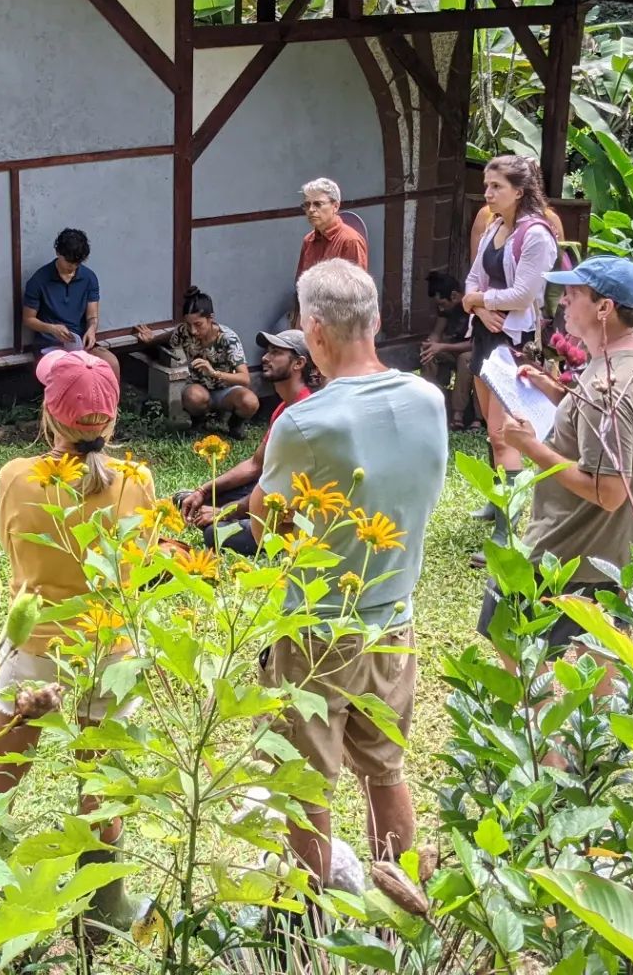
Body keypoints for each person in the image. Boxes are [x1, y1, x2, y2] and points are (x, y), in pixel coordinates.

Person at [251, 259, 447, 886]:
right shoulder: (429, 399)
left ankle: (311, 922)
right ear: (378, 319)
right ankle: (403, 899)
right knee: (385, 771)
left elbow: (269, 531)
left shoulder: (305, 423)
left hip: (317, 630)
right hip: (395, 618)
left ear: (312, 332)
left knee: (306, 786)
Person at [0, 348, 152, 928]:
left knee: (2, 771)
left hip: (35, 651)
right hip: (109, 652)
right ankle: (106, 910)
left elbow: (10, 547)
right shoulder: (137, 481)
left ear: (49, 415)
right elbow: (140, 561)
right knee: (100, 781)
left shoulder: (16, 477)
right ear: (113, 419)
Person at [488, 257, 633, 660]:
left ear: (605, 309)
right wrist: (555, 392)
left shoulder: (606, 389)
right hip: (609, 552)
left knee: (515, 650)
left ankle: (536, 724)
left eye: (574, 294)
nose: (563, 301)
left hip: (570, 551)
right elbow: (606, 434)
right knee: (597, 662)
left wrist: (533, 449)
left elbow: (609, 492)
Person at [462, 155, 559, 545]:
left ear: (519, 191)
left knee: (506, 435)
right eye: (487, 185)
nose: (488, 193)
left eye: (496, 186)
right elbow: (472, 278)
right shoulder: (494, 227)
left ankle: (506, 532)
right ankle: (496, 502)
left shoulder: (536, 234)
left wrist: (480, 301)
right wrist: (481, 307)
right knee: (490, 426)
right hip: (486, 333)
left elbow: (523, 295)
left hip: (513, 341)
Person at [175, 329, 313, 554]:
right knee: (188, 499)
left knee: (214, 533)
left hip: (288, 512)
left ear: (299, 363)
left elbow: (279, 489)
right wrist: (203, 491)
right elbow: (255, 465)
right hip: (267, 490)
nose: (265, 358)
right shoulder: (283, 407)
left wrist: (224, 512)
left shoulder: (304, 414)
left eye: (275, 352)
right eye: (267, 351)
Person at [136, 286, 260, 436]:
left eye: (198, 324)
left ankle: (234, 424)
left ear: (210, 318)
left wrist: (214, 373)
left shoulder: (228, 338)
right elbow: (171, 335)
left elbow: (245, 379)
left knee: (250, 402)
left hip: (225, 390)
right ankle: (198, 422)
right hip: (198, 387)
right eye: (189, 325)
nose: (193, 331)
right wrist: (151, 339)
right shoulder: (184, 332)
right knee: (193, 397)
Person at [21, 228, 119, 374]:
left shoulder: (89, 277)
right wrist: (52, 328)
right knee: (70, 370)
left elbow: (92, 316)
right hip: (50, 344)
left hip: (80, 344)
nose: (72, 267)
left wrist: (91, 330)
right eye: (68, 262)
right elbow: (28, 319)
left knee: (111, 363)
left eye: (77, 263)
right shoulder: (39, 280)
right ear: (58, 253)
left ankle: (110, 398)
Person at [420, 271, 475, 429]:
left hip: (471, 352)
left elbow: (474, 344)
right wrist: (431, 343)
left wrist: (443, 346)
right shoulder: (445, 311)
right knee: (428, 353)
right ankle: (429, 402)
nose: (441, 308)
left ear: (454, 295)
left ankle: (458, 413)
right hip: (452, 349)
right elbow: (437, 333)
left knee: (464, 358)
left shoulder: (472, 309)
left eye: (442, 304)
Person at [295, 178, 369, 278]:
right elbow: (300, 284)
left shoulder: (350, 241)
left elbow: (357, 290)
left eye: (318, 204)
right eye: (307, 205)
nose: (311, 209)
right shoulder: (308, 240)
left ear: (335, 206)